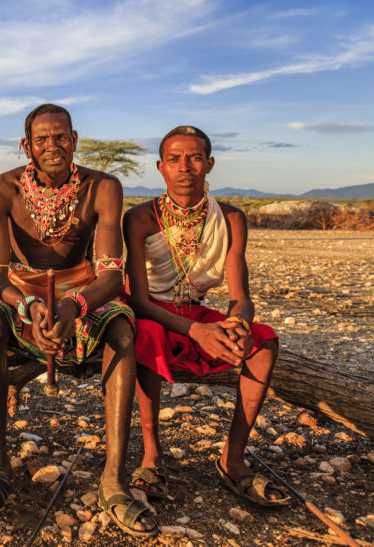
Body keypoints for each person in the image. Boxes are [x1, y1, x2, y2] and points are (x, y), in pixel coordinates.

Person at [0, 104, 157, 537]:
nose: (52, 147)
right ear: (26, 146)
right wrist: (27, 307)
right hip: (24, 295)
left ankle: (113, 479)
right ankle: (0, 468)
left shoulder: (103, 187)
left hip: (84, 290)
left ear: (75, 140)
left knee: (121, 330)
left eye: (61, 137)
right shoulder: (1, 189)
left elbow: (111, 275)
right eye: (42, 139)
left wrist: (73, 306)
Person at [123, 126, 288, 509]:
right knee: (144, 333)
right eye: (175, 159)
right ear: (160, 167)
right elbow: (140, 300)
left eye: (195, 158)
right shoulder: (141, 218)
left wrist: (237, 326)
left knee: (264, 343)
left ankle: (232, 459)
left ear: (209, 164)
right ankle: (152, 455)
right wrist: (198, 331)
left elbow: (240, 298)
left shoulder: (230, 219)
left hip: (194, 308)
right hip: (154, 313)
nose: (186, 167)